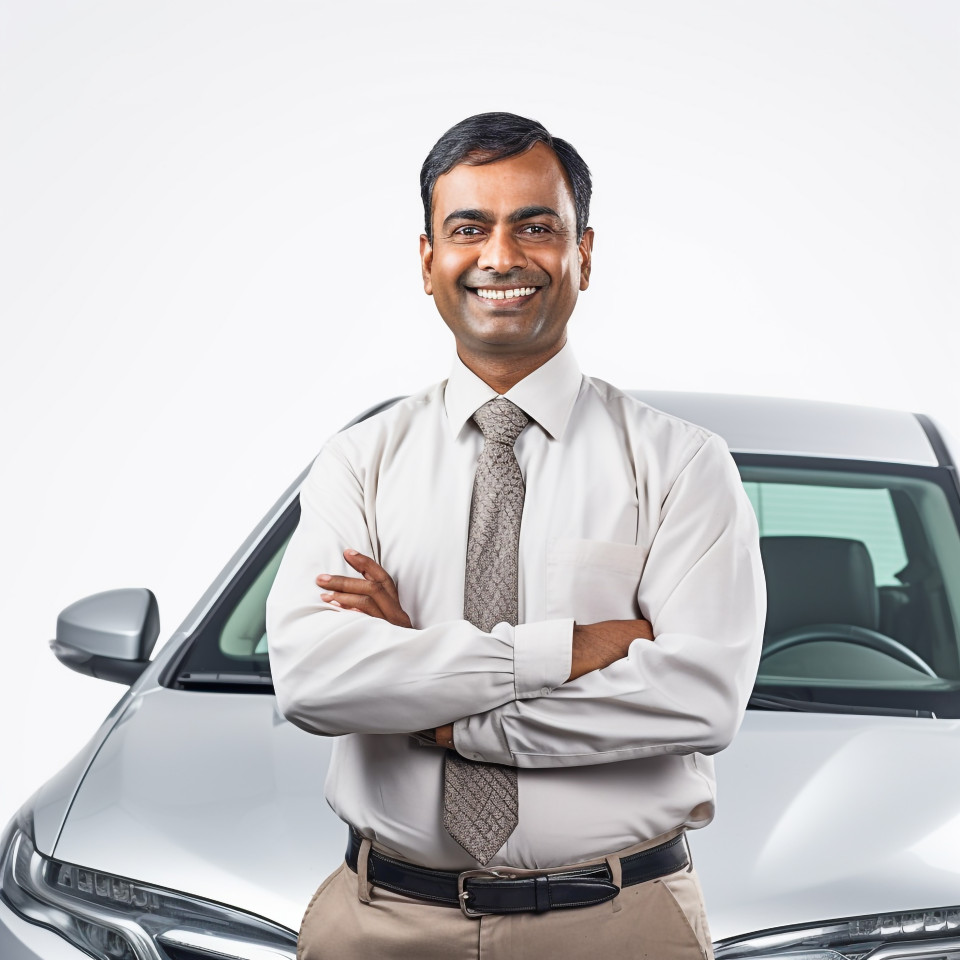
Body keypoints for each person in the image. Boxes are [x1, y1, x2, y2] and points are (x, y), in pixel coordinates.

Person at [265, 112, 765, 959]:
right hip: (380, 924)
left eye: (535, 227)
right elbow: (313, 680)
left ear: (584, 255)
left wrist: (432, 699)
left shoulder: (683, 463)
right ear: (428, 259)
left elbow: (699, 696)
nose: (500, 256)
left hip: (618, 925)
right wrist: (566, 651)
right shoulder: (360, 460)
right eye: (469, 228)